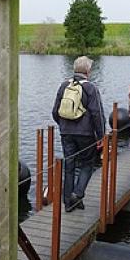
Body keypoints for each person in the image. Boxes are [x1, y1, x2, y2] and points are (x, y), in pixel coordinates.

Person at [52, 56, 105, 212]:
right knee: (87, 164)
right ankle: (78, 193)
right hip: (85, 134)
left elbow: (55, 111)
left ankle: (68, 202)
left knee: (69, 165)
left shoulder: (63, 86)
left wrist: (63, 126)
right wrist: (101, 136)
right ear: (88, 70)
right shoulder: (91, 88)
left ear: (75, 69)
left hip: (66, 133)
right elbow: (97, 114)